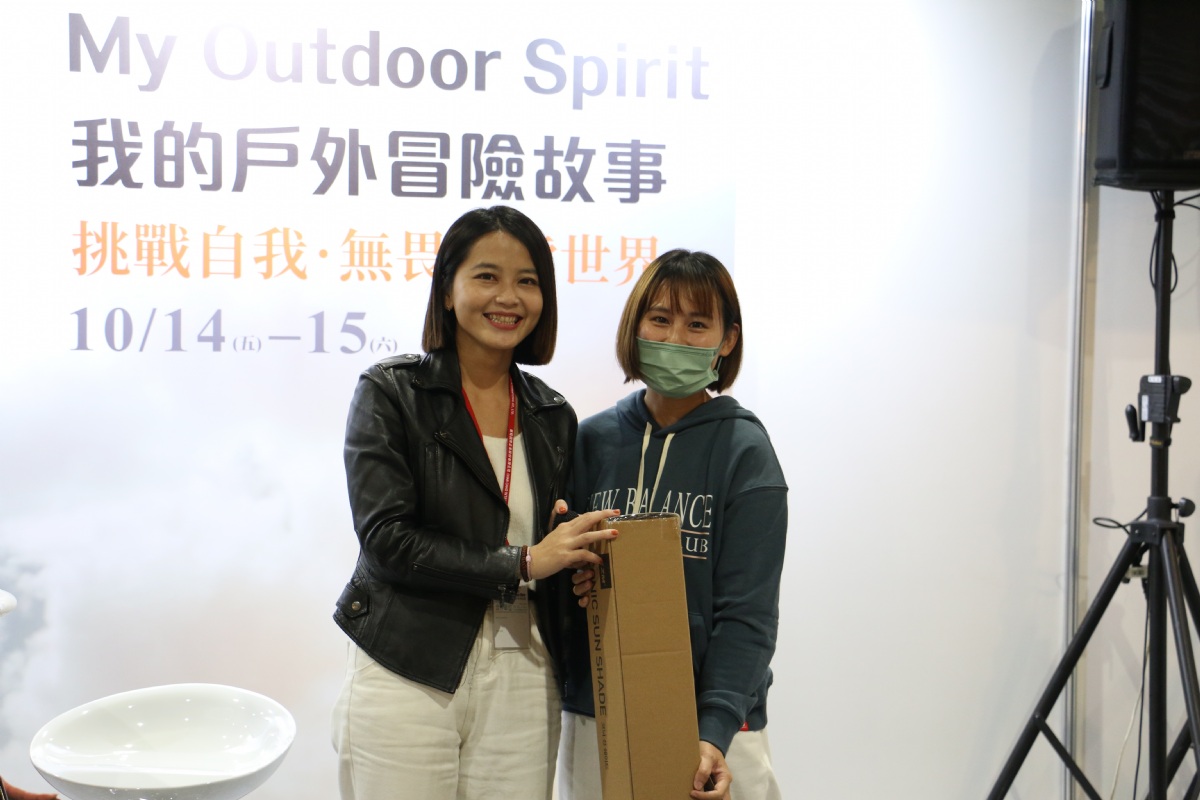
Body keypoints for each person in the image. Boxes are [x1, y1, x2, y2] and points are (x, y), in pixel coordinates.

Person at [330, 205, 619, 800]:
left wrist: (578, 570)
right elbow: (387, 541)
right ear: (447, 289)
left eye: (527, 281)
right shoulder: (392, 392)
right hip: (410, 662)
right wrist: (524, 563)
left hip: (525, 667)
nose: (508, 297)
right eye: (487, 276)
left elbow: (556, 543)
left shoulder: (552, 415)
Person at [555, 249, 787, 800]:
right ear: (635, 327)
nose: (675, 338)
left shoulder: (745, 452)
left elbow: (749, 615)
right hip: (597, 715)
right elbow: (558, 574)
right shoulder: (590, 441)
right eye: (660, 319)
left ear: (727, 340)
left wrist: (713, 730)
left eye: (697, 324)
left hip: (711, 731)